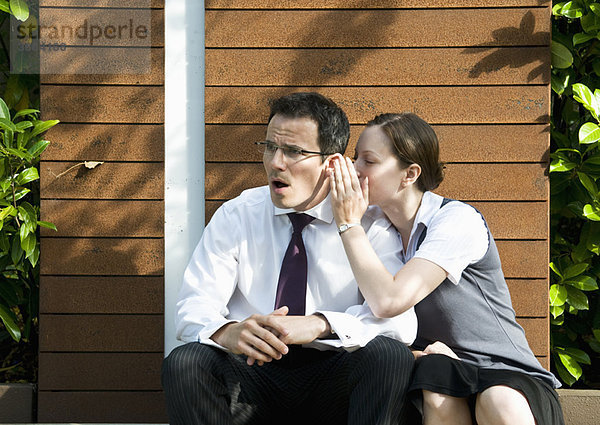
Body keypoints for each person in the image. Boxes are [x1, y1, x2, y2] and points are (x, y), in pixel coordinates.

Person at [161, 93, 418, 425]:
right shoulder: (238, 214)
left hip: (334, 377)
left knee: (390, 356)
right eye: (270, 147)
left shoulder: (370, 224)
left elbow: (401, 325)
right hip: (253, 375)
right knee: (186, 362)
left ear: (333, 163)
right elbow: (193, 305)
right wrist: (229, 332)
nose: (276, 163)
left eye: (294, 151)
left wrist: (320, 325)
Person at [329, 112, 564, 425]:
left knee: (497, 399)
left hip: (506, 375)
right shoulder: (374, 229)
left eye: (368, 161)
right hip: (437, 372)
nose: (355, 169)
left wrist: (348, 223)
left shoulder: (456, 220)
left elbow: (389, 301)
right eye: (355, 157)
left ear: (409, 174)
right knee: (435, 387)